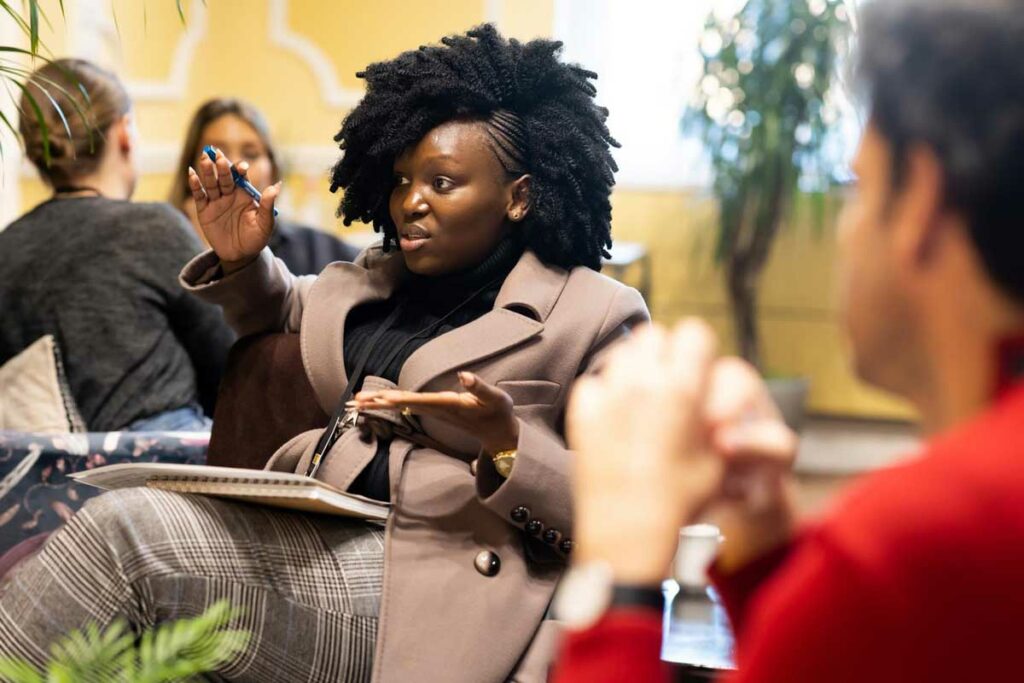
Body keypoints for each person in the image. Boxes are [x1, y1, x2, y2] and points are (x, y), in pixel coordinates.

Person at [0, 27, 648, 682]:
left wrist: (508, 445)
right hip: (313, 520)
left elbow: (639, 506)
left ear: (519, 195)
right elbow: (282, 306)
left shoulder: (594, 313)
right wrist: (242, 257)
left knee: (126, 536)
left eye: (443, 182)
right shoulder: (374, 280)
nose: (410, 201)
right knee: (121, 541)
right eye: (401, 180)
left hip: (434, 581)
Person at [552, 1, 1024, 681]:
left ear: (919, 198)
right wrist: (766, 559)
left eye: (858, 186)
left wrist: (617, 568)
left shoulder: (913, 537)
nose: (846, 230)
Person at [0, 59, 234, 432]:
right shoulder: (154, 228)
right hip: (161, 473)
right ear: (125, 132)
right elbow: (230, 367)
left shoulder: (5, 249)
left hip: (39, 483)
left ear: (33, 153)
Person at [169, 98, 360, 275]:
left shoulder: (315, 250)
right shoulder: (165, 244)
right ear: (191, 167)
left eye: (251, 154)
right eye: (215, 155)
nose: (233, 165)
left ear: (273, 169)